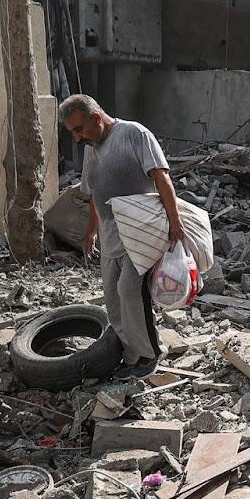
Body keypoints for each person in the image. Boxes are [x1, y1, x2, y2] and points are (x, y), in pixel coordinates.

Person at [58, 93, 184, 377]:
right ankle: (132, 353)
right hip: (110, 235)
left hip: (141, 234)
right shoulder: (92, 146)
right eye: (72, 132)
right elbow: (93, 195)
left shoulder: (134, 134)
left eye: (79, 129)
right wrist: (90, 232)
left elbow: (162, 179)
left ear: (96, 118)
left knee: (130, 290)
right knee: (113, 300)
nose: (77, 138)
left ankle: (151, 354)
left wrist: (175, 223)